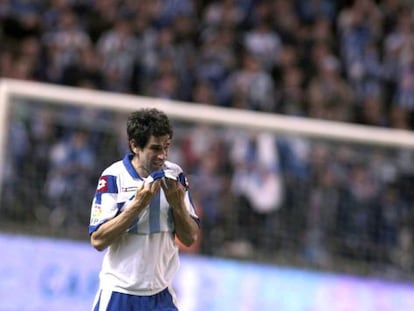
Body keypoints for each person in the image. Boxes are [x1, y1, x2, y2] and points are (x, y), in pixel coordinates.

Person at [89, 108, 200, 311]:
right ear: (135, 146)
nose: (163, 155)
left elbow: (189, 238)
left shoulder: (176, 176)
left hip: (160, 296)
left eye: (166, 147)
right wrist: (138, 205)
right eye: (155, 148)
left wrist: (177, 205)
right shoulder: (113, 177)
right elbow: (98, 240)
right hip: (119, 294)